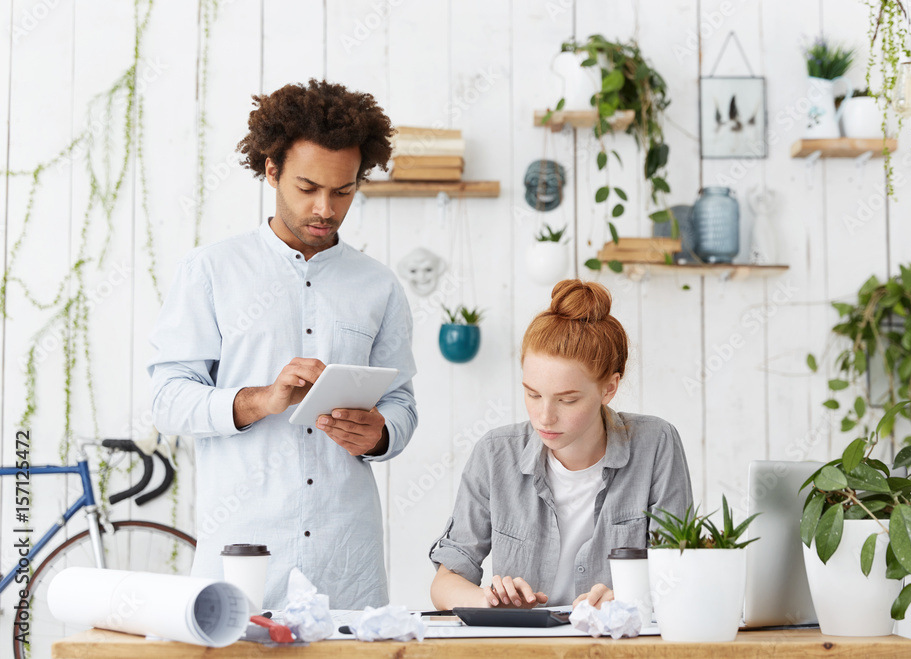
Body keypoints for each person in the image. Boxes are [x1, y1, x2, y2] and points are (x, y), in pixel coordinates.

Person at [148, 80, 417, 609]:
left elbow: (402, 404)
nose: (325, 207)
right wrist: (259, 400)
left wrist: (380, 433)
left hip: (348, 565)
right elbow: (166, 401)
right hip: (244, 560)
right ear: (271, 170)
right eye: (307, 187)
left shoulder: (379, 285)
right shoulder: (211, 271)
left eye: (343, 191)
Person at [429, 279, 692, 610]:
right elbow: (445, 584)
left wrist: (629, 599)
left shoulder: (656, 445)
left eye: (567, 400)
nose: (544, 417)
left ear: (609, 388)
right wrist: (489, 600)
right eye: (533, 394)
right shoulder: (496, 453)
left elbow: (681, 572)